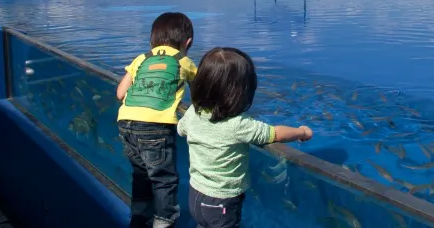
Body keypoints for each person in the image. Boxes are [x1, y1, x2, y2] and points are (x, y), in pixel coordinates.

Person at [178, 47, 313, 228]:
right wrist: (301, 132)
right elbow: (275, 133)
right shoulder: (238, 125)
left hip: (195, 194)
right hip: (222, 203)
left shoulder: (193, 113)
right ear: (241, 92)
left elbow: (181, 130)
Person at [116, 12, 198, 228]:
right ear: (188, 42)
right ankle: (163, 223)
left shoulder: (141, 58)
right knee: (163, 180)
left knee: (141, 175)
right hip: (155, 127)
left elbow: (120, 93)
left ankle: (139, 219)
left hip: (126, 124)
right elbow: (201, 95)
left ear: (152, 40)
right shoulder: (185, 61)